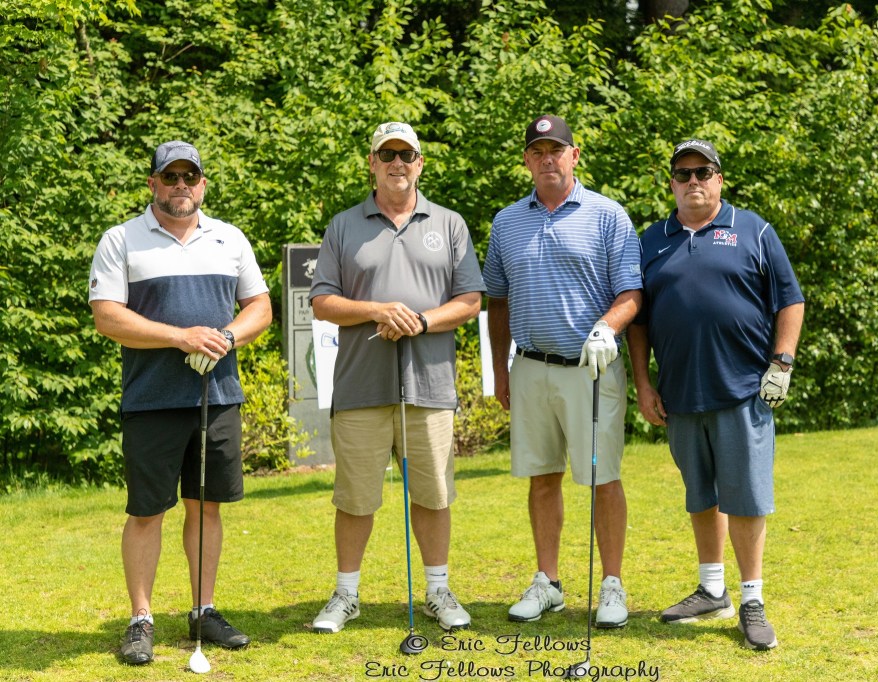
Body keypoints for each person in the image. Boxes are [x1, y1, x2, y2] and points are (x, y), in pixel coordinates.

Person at [89, 141, 273, 665]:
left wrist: (227, 337)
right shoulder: (122, 239)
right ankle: (141, 619)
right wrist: (180, 337)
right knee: (147, 511)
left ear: (203, 184)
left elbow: (260, 307)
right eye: (170, 177)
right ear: (153, 183)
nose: (180, 186)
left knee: (206, 505)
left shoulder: (229, 238)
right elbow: (108, 317)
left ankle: (203, 609)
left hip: (218, 396)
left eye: (189, 177)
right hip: (151, 399)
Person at [626, 139, 805, 650]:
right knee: (700, 494)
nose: (693, 181)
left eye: (703, 172)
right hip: (680, 394)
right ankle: (712, 590)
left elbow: (790, 300)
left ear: (719, 179)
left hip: (743, 390)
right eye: (683, 173)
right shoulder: (651, 240)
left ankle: (752, 601)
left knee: (745, 497)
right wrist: (643, 383)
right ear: (671, 183)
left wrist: (783, 362)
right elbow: (638, 321)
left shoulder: (753, 230)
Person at [308, 122, 484, 634]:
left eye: (407, 154)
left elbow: (470, 300)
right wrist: (376, 310)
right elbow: (322, 301)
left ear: (420, 163)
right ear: (372, 163)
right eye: (387, 154)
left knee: (433, 494)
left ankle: (437, 591)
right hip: (360, 386)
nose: (397, 163)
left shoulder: (449, 223)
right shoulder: (344, 225)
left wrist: (420, 321)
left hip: (430, 386)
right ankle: (346, 595)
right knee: (355, 499)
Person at [483, 115, 642, 628]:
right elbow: (497, 300)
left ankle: (612, 585)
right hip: (531, 367)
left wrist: (606, 328)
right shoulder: (507, 221)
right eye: (538, 151)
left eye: (556, 150)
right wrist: (501, 371)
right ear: (526, 161)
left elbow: (631, 293)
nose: (547, 158)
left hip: (590, 367)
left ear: (574, 156)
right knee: (542, 476)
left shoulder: (607, 215)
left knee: (602, 477)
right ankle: (548, 583)